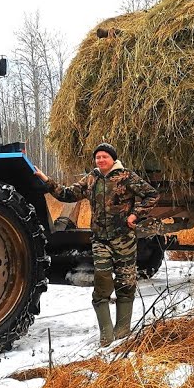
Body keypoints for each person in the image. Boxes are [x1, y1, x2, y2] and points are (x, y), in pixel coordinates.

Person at [35, 143, 158, 346]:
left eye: (104, 157)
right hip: (100, 240)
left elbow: (152, 195)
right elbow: (66, 194)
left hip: (124, 239)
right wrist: (46, 180)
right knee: (102, 283)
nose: (101, 160)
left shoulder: (126, 177)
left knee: (126, 283)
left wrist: (136, 215)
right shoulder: (91, 178)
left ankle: (122, 331)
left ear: (113, 159)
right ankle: (106, 335)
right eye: (98, 157)